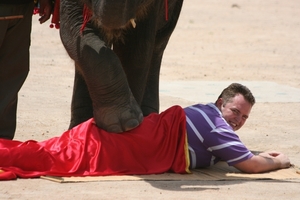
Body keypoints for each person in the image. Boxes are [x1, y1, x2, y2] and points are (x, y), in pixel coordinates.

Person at [0, 83, 291, 180]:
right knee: (46, 158)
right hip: (116, 148)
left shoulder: (206, 113)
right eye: (235, 112)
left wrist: (251, 152)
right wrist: (279, 161)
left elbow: (231, 153)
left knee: (42, 151)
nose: (238, 121)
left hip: (119, 139)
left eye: (244, 117)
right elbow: (250, 165)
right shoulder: (217, 127)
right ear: (220, 104)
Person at [0, 0, 53, 140]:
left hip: (20, 7)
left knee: (12, 74)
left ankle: (3, 144)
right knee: (11, 74)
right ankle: (3, 140)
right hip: (20, 7)